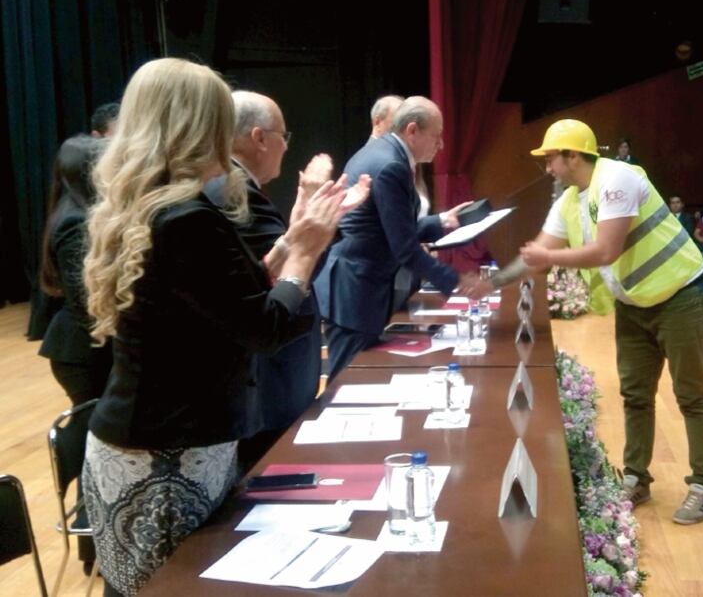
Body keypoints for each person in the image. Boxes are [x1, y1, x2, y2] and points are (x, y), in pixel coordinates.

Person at [80, 58, 366, 597]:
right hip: (165, 455)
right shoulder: (186, 215)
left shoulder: (155, 206)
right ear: (195, 127)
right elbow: (263, 327)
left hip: (154, 440)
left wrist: (290, 243)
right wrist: (305, 253)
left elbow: (219, 295)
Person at [477, 119, 703, 522]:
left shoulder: (616, 177)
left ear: (572, 155)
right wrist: (493, 281)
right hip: (634, 306)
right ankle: (637, 478)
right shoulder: (568, 202)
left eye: (550, 159)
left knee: (691, 394)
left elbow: (605, 250)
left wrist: (548, 259)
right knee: (635, 395)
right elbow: (538, 251)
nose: (548, 168)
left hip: (680, 297)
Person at [204, 91, 331, 469]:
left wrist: (306, 217)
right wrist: (315, 225)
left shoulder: (232, 186)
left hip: (265, 361)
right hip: (266, 366)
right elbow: (277, 275)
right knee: (269, 468)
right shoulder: (232, 189)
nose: (286, 147)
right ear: (260, 138)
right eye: (283, 136)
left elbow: (269, 260)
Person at [316, 96, 479, 377]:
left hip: (356, 287)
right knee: (347, 384)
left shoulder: (379, 152)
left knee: (358, 381)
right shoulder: (393, 165)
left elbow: (390, 228)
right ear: (412, 130)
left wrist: (442, 220)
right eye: (436, 137)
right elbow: (404, 248)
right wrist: (457, 282)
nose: (441, 146)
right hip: (355, 291)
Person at [37, 134, 112, 574]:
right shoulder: (74, 221)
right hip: (82, 350)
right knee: (95, 443)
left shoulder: (82, 213)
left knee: (97, 442)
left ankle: (96, 544)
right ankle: (92, 547)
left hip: (89, 346)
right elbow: (88, 305)